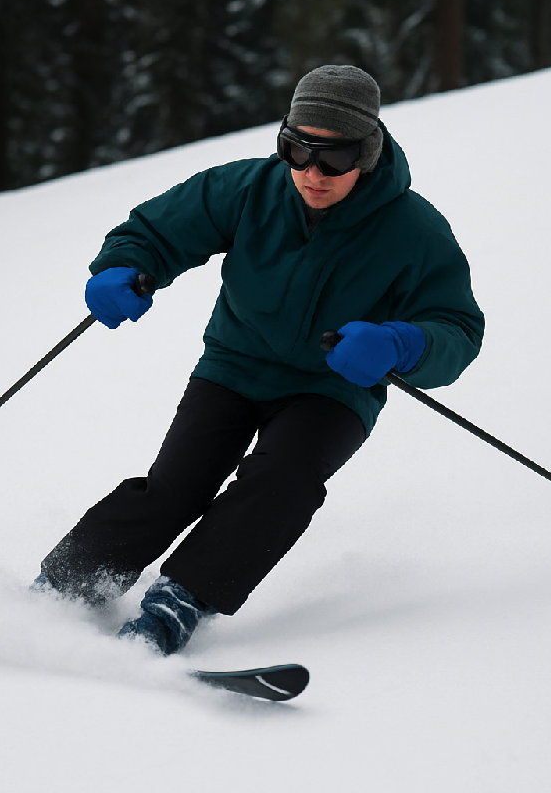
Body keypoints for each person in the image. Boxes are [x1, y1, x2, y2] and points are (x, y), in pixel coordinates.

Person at [36, 65, 484, 655]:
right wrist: (124, 265)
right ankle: (63, 587)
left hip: (331, 388)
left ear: (368, 152)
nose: (311, 173)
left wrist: (402, 343)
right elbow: (157, 230)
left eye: (335, 157)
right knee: (175, 488)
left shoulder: (414, 230)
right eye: (296, 150)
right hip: (233, 365)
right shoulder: (249, 189)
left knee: (281, 482)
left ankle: (180, 601)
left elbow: (456, 327)